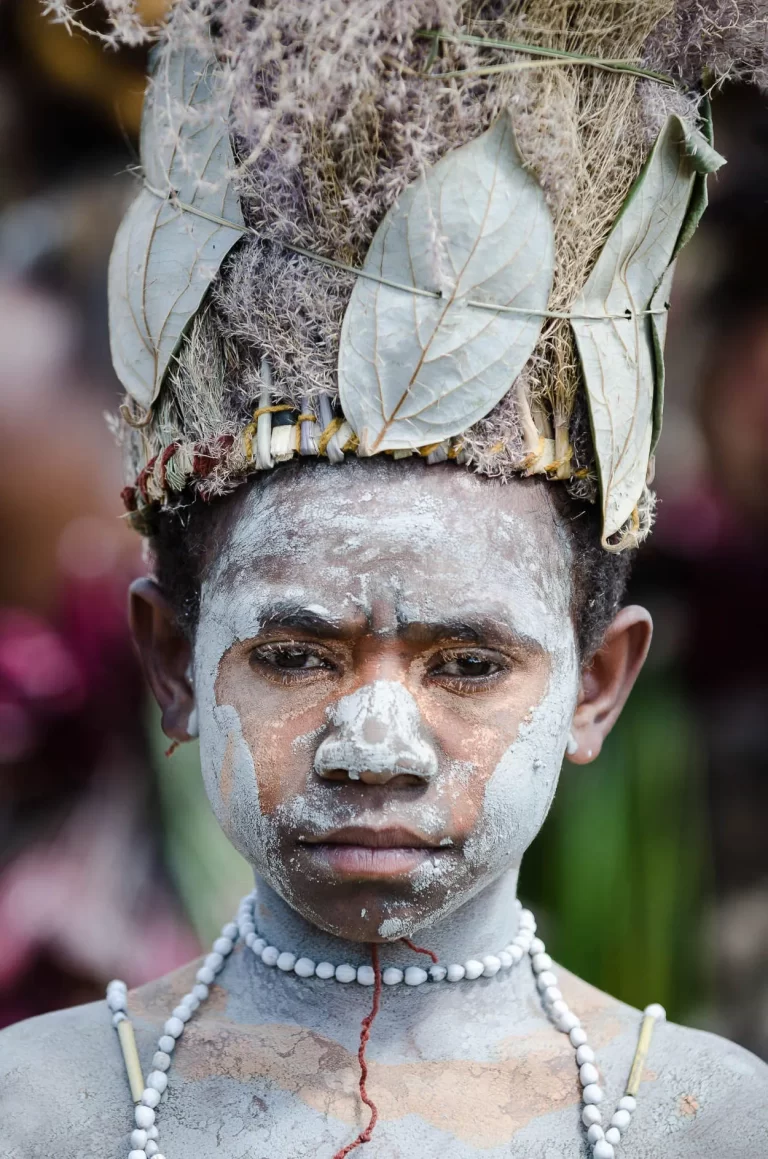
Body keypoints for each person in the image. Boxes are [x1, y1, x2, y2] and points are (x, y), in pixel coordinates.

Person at [2, 1, 768, 1157]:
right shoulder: (41, 1107)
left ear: (598, 685)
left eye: (467, 665)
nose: (375, 743)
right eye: (296, 655)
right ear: (173, 662)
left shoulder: (705, 1118)